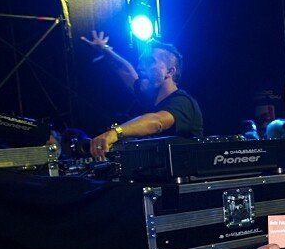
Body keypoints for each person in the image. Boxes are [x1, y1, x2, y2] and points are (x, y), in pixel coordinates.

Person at [81, 31, 203, 159]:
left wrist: (115, 132)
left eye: (149, 61)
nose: (140, 67)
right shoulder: (149, 96)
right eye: (141, 62)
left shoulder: (183, 102)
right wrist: (104, 49)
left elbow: (157, 122)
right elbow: (127, 72)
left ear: (169, 71)